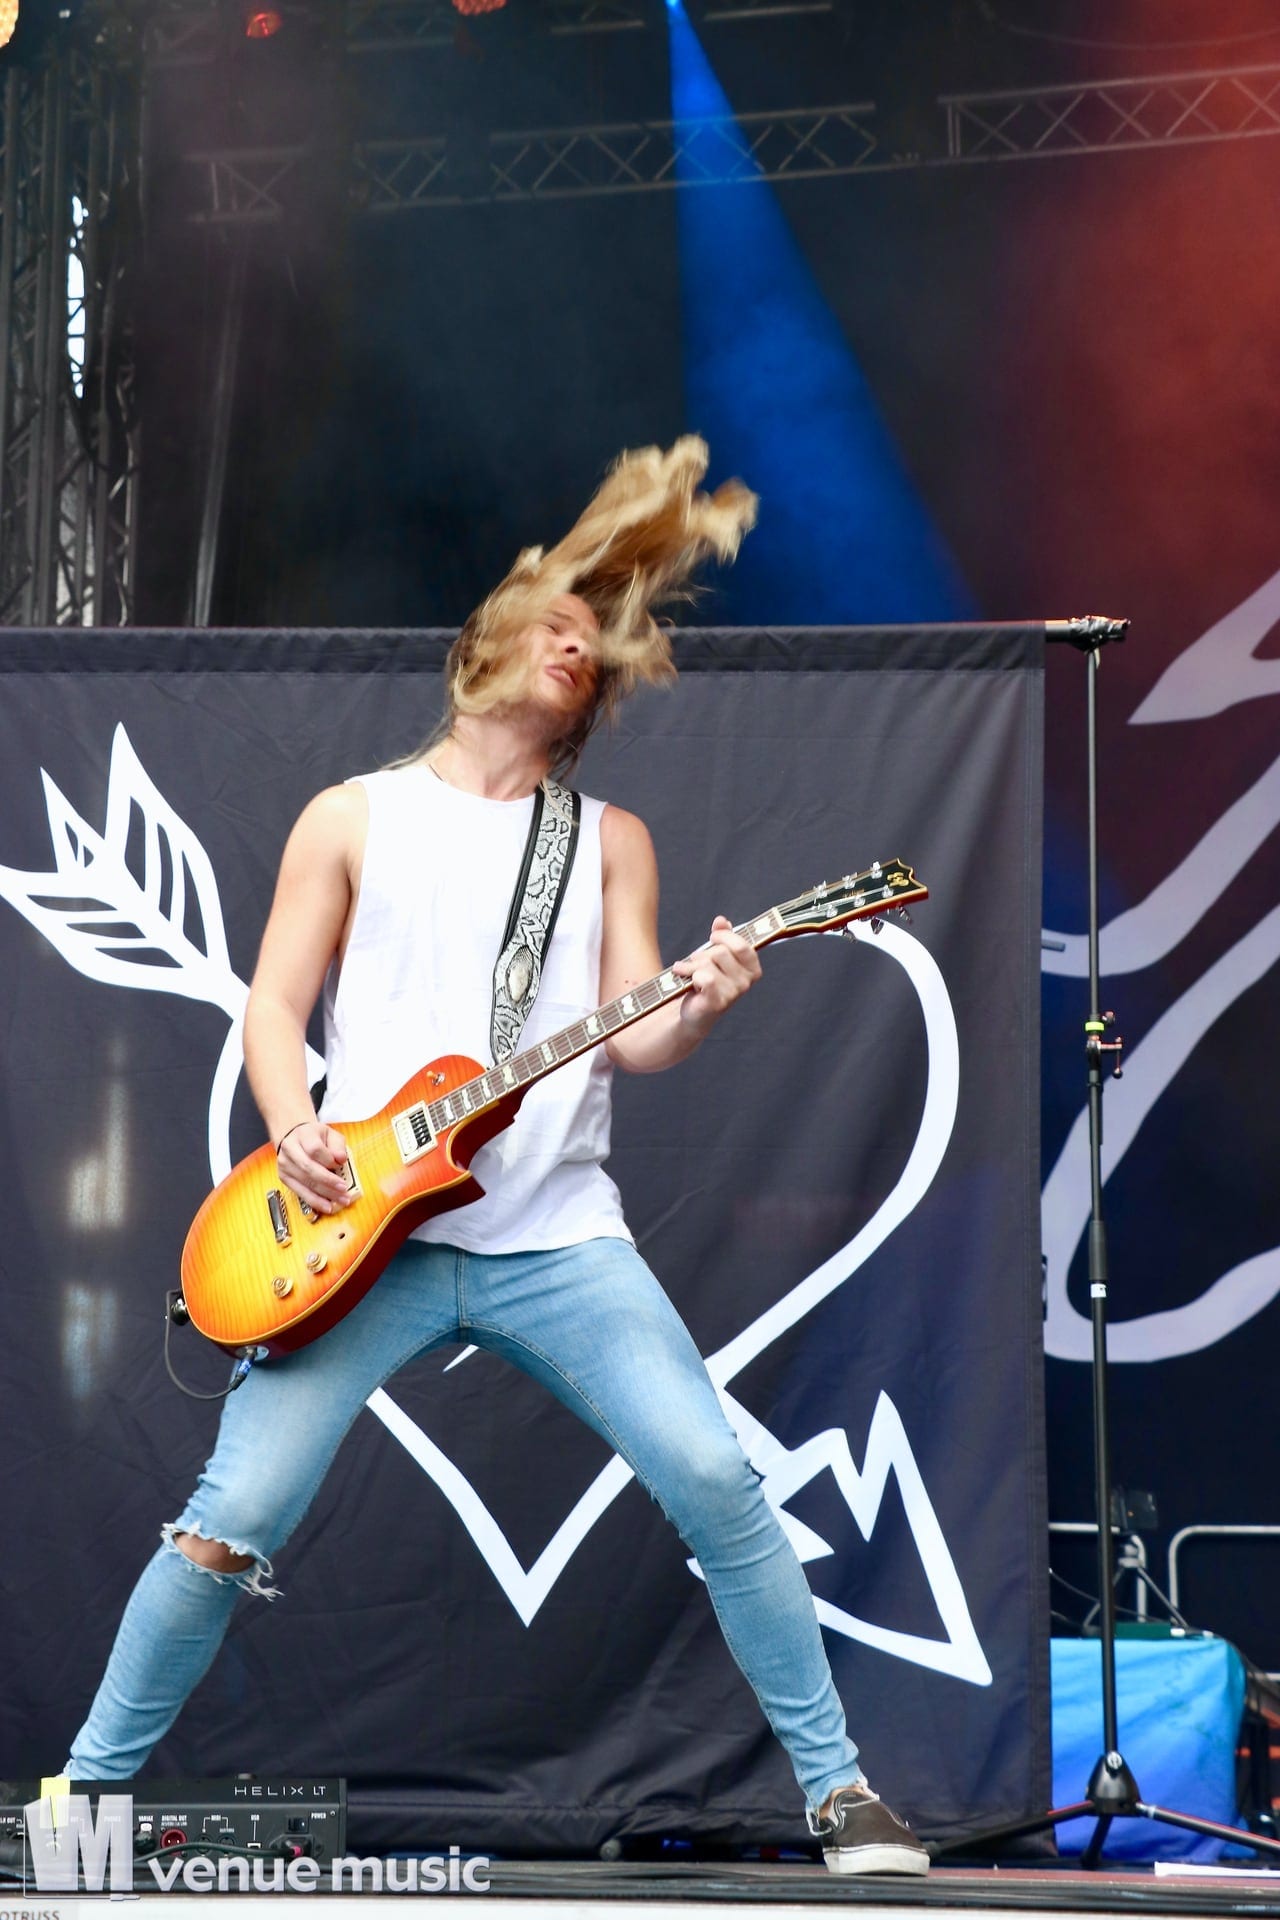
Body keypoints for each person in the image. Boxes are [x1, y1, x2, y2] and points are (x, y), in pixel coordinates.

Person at [63, 440, 928, 1877]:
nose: (578, 645)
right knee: (233, 1517)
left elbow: (640, 1039)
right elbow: (274, 1008)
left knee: (718, 1482)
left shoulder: (609, 841)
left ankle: (841, 1796)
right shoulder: (352, 815)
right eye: (557, 623)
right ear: (487, 644)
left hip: (557, 1240)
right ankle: (79, 1806)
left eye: (596, 645)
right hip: (365, 1238)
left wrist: (707, 1000)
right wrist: (295, 1128)